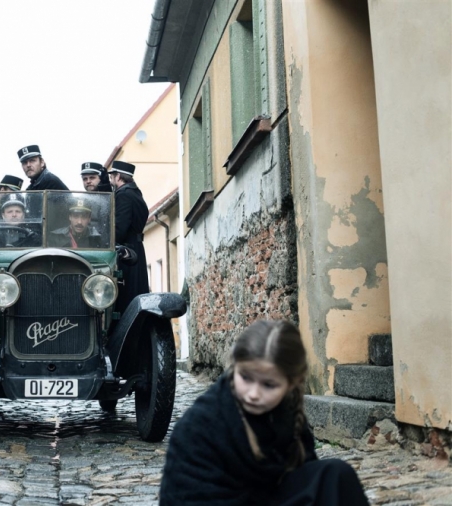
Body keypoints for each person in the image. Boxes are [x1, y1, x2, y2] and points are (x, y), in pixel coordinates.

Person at [159, 320, 370, 506]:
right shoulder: (199, 426)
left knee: (335, 475)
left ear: (291, 384)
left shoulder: (286, 413)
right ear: (235, 367)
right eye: (246, 377)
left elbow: (303, 478)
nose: (253, 394)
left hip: (265, 498)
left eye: (269, 385)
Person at [109, 161, 149, 314]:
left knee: (126, 299)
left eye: (112, 176)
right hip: (135, 247)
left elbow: (119, 230)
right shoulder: (135, 192)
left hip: (127, 252)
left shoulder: (124, 194)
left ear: (118, 176)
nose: (111, 179)